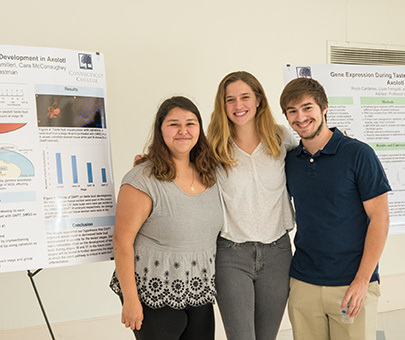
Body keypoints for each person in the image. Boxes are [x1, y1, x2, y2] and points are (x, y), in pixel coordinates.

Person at [280, 77, 391, 340]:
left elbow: (380, 218)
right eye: (292, 111)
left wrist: (363, 280)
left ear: (324, 108)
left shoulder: (358, 154)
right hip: (304, 282)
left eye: (307, 108)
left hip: (351, 283)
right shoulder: (290, 162)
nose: (301, 117)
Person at [109, 96, 223, 340]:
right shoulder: (142, 179)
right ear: (160, 130)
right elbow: (121, 241)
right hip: (153, 291)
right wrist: (130, 300)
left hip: (198, 291)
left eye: (190, 123)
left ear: (199, 129)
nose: (183, 131)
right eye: (173, 124)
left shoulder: (211, 173)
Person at [207, 71, 297, 340]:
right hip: (231, 253)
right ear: (222, 106)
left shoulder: (282, 138)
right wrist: (147, 162)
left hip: (278, 252)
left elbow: (316, 151)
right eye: (230, 99)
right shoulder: (213, 146)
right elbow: (178, 165)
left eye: (245, 97)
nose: (238, 105)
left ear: (258, 100)